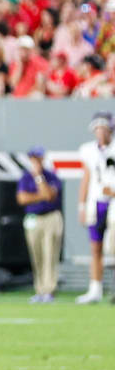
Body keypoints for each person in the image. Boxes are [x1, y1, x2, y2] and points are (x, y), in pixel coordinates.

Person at [16, 146, 63, 304]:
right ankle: (40, 289)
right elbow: (22, 199)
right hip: (33, 218)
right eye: (33, 158)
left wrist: (39, 179)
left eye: (38, 158)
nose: (35, 161)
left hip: (50, 217)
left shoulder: (51, 176)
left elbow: (49, 196)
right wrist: (40, 195)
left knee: (50, 253)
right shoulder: (25, 177)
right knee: (36, 255)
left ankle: (49, 290)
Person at [76, 112, 114, 304]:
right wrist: (81, 205)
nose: (100, 132)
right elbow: (86, 178)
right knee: (95, 247)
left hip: (114, 203)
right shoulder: (88, 150)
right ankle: (95, 289)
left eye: (104, 128)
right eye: (97, 128)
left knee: (113, 249)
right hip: (96, 202)